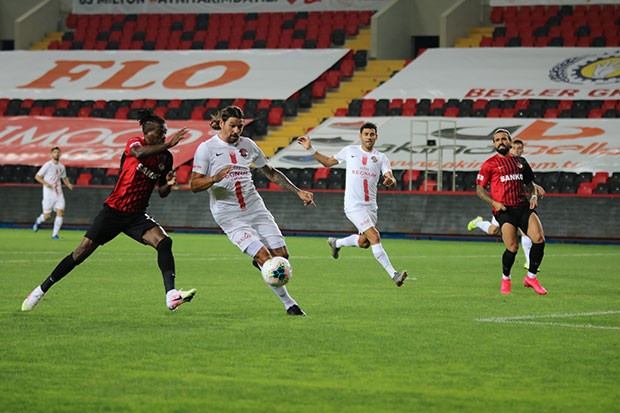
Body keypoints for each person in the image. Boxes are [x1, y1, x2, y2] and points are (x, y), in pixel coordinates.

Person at [21, 109, 196, 311]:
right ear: (147, 133)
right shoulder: (135, 143)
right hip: (114, 210)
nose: (164, 136)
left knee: (164, 242)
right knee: (80, 253)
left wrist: (168, 184)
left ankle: (171, 295)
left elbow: (162, 192)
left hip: (136, 215)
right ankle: (40, 290)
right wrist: (170, 144)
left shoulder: (165, 158)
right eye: (160, 133)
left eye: (165, 133)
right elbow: (137, 154)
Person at [190, 106, 314, 316]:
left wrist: (298, 191)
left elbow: (270, 173)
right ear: (221, 123)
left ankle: (260, 263)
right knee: (266, 259)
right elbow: (194, 184)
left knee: (282, 257)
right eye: (232, 125)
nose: (236, 131)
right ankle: (289, 304)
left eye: (240, 126)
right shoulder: (207, 148)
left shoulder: (248, 145)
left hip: (256, 208)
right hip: (229, 215)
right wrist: (214, 179)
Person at [297, 122, 408, 287]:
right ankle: (394, 274)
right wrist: (310, 148)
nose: (369, 137)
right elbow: (327, 162)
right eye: (366, 134)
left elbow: (390, 177)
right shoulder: (350, 151)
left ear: (376, 137)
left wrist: (390, 180)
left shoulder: (381, 158)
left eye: (372, 134)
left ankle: (336, 243)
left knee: (365, 242)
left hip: (371, 207)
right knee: (375, 236)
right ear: (360, 136)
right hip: (353, 206)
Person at [475, 128, 547, 295]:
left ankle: (531, 277)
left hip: (523, 206)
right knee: (512, 247)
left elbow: (530, 184)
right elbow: (480, 190)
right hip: (505, 210)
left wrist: (534, 196)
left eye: (503, 139)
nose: (500, 142)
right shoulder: (489, 164)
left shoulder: (521, 162)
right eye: (497, 139)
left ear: (510, 141)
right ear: (494, 144)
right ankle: (506, 279)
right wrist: (494, 202)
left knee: (539, 239)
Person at [32, 146, 74, 239]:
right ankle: (39, 220)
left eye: (58, 152)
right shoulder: (48, 165)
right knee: (47, 216)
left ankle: (54, 235)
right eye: (55, 152)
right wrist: (45, 183)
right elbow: (37, 176)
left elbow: (64, 177)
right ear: (51, 154)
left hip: (58, 193)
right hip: (48, 194)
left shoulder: (61, 166)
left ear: (60, 154)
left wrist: (68, 184)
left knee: (60, 212)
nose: (56, 154)